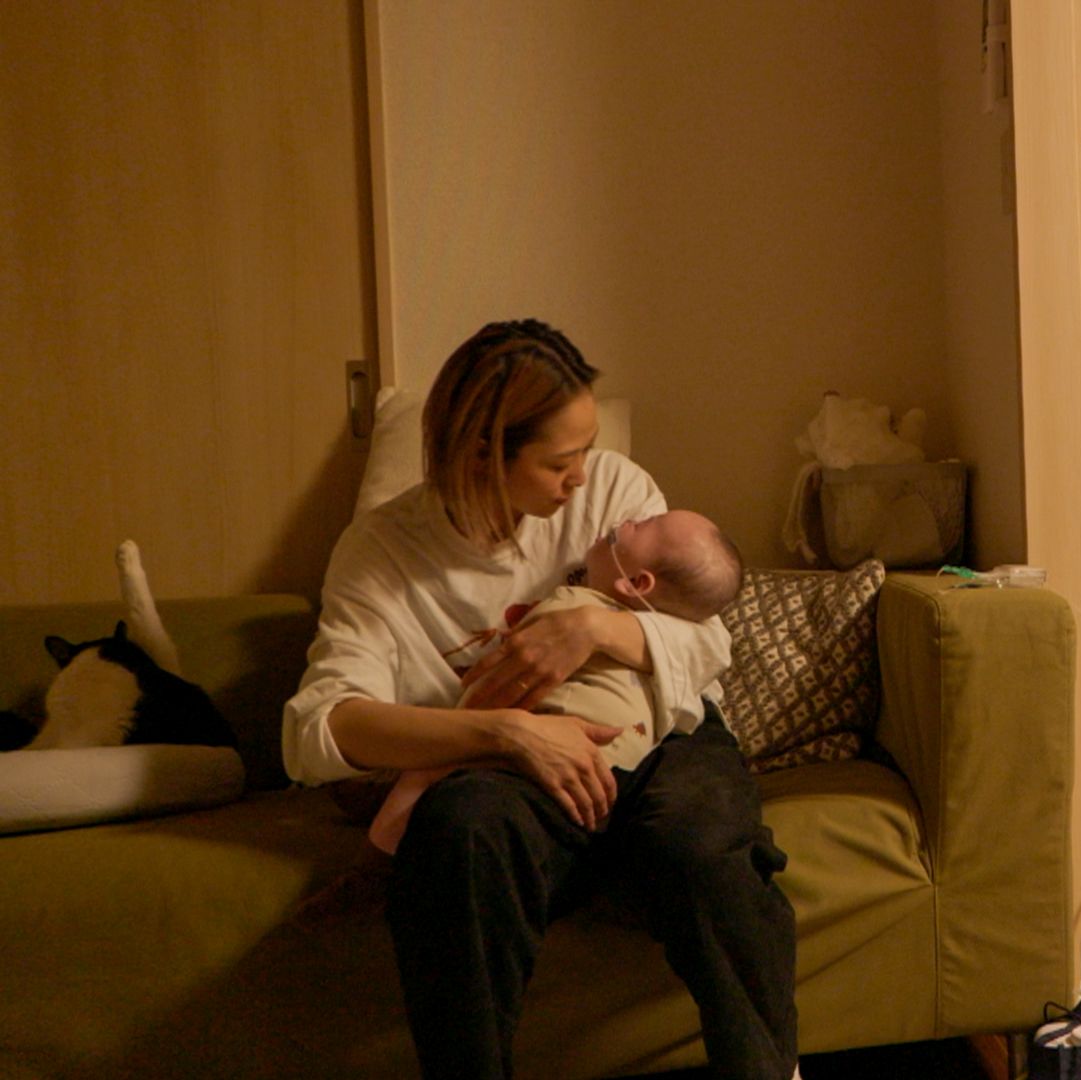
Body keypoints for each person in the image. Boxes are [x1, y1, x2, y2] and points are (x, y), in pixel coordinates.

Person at [282, 319, 799, 1079]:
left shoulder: (617, 491)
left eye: (586, 450)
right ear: (481, 452)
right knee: (460, 832)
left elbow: (708, 640)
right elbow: (320, 728)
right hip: (507, 766)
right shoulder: (382, 553)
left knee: (699, 843)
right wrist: (508, 733)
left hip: (660, 728)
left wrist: (594, 628)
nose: (583, 477)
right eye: (561, 461)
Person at [366, 509, 746, 856]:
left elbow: (500, 683)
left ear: (636, 583)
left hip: (549, 757)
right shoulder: (662, 652)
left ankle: (382, 846)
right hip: (621, 769)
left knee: (430, 774)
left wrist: (454, 733)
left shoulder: (569, 604)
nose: (630, 518)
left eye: (644, 525)